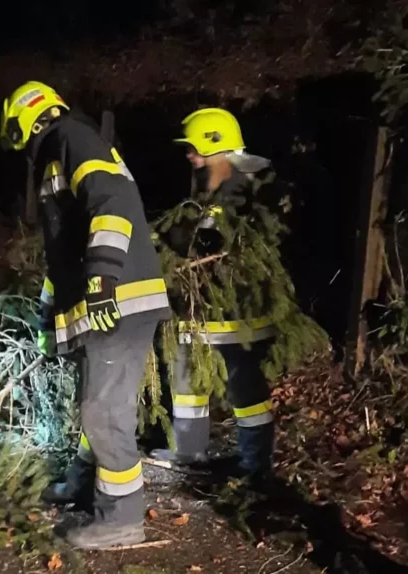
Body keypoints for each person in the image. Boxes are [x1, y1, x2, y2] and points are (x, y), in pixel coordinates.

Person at [1, 81, 171, 549]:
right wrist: (49, 316)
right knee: (94, 402)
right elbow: (64, 251)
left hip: (118, 299)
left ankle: (122, 517)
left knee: (104, 410)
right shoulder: (65, 147)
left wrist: (102, 278)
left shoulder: (71, 137)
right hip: (110, 299)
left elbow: (112, 202)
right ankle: (84, 480)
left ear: (22, 122)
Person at [149, 108, 277, 484]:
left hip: (235, 309)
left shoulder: (240, 186)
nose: (189, 155)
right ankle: (189, 450)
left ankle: (255, 466)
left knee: (244, 385)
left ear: (215, 145)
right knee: (187, 375)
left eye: (194, 148)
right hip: (202, 305)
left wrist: (166, 239)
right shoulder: (217, 182)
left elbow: (206, 240)